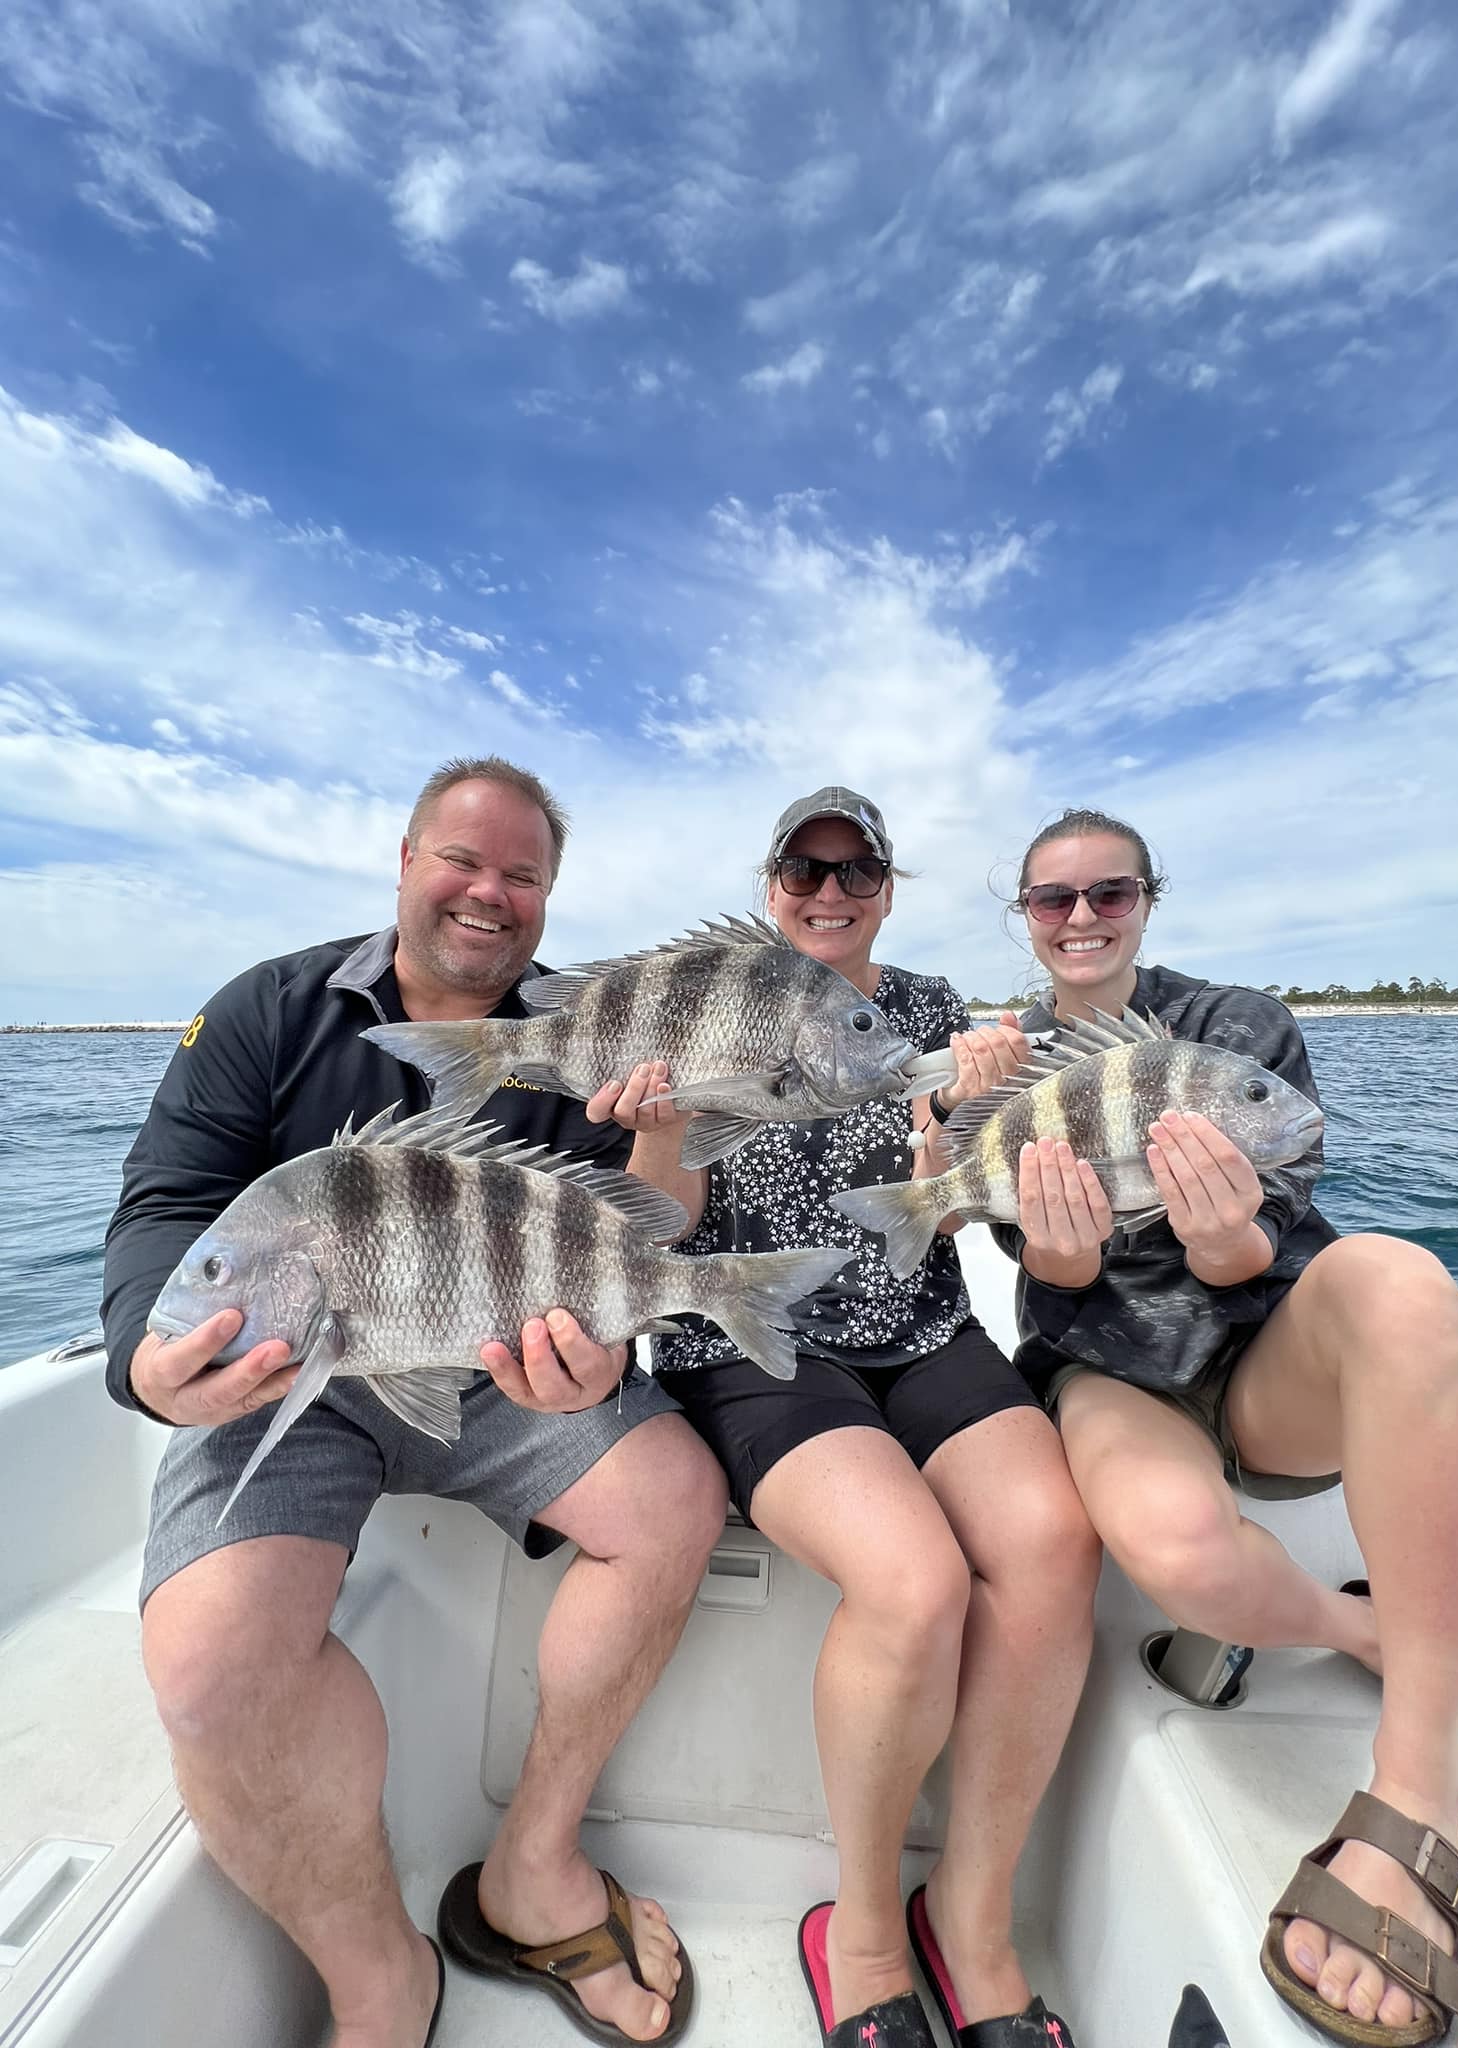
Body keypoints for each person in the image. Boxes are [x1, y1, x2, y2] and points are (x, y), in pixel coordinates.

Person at [102, 756, 725, 2048]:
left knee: (673, 1503)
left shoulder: (586, 1030)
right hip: (294, 1380)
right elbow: (169, 1202)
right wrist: (148, 1364)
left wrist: (607, 1345)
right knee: (211, 1670)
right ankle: (381, 1977)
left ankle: (531, 1869)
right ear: (403, 861)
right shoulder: (268, 1009)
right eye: (463, 859)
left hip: (494, 1367)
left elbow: (637, 1233)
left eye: (524, 873)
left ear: (550, 895)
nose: (490, 893)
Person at [969, 804, 1458, 2048]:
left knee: (1403, 1278)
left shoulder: (1237, 1029)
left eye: (1107, 894)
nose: (1080, 919)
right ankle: (1389, 1632)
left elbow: (1265, 1235)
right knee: (1185, 1565)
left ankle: (1419, 1791)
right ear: (1024, 914)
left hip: (1266, 1352)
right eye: (1053, 899)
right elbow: (1046, 1273)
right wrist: (1057, 1259)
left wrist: (1225, 1236)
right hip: (1118, 1368)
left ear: (1146, 901)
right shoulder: (1006, 1069)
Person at [599, 786, 1101, 2048]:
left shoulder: (932, 1012)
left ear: (888, 882)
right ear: (770, 881)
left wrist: (957, 1114)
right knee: (913, 1578)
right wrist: (659, 1129)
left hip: (923, 1325)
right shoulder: (707, 1006)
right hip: (751, 1339)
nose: (830, 891)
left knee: (1051, 1542)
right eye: (804, 868)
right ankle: (865, 1927)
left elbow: (949, 1202)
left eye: (856, 868)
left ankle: (972, 1919)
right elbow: (662, 1222)